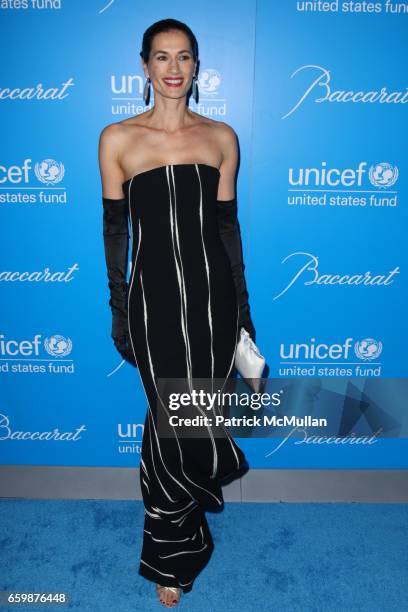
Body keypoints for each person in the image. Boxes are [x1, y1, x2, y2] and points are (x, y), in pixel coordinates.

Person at [99, 18, 256, 608]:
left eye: (183, 57)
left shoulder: (221, 137)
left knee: (198, 414)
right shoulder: (117, 139)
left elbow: (227, 230)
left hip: (214, 299)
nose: (172, 69)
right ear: (144, 66)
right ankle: (172, 556)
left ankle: (188, 524)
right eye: (161, 58)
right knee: (169, 421)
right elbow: (116, 234)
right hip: (154, 302)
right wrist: (120, 310)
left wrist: (242, 311)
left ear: (196, 66)